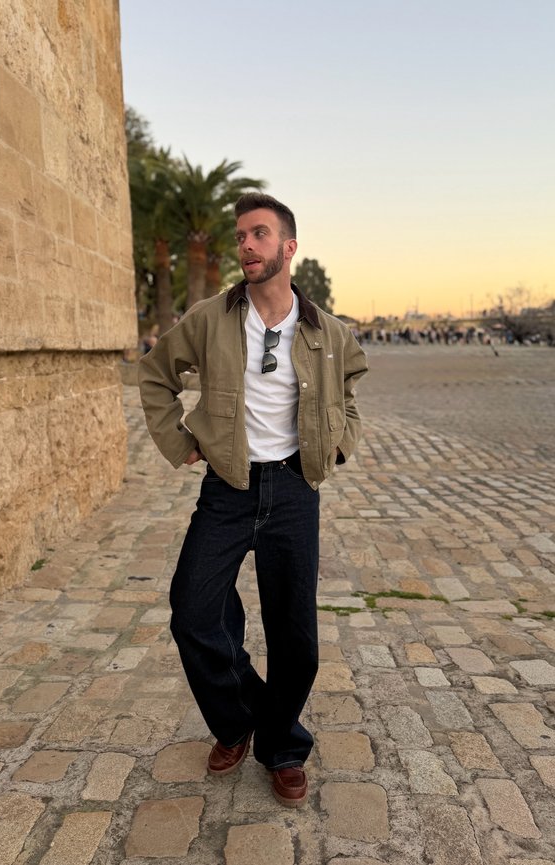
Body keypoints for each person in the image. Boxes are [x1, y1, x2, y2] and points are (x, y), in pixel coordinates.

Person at [138, 193, 368, 807]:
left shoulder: (327, 331)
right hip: (229, 487)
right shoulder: (211, 318)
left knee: (295, 635)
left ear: (288, 248)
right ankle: (243, 716)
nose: (245, 245)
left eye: (259, 234)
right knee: (193, 613)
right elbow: (156, 374)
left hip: (295, 489)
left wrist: (339, 444)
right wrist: (180, 441)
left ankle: (282, 748)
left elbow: (349, 391)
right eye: (240, 236)